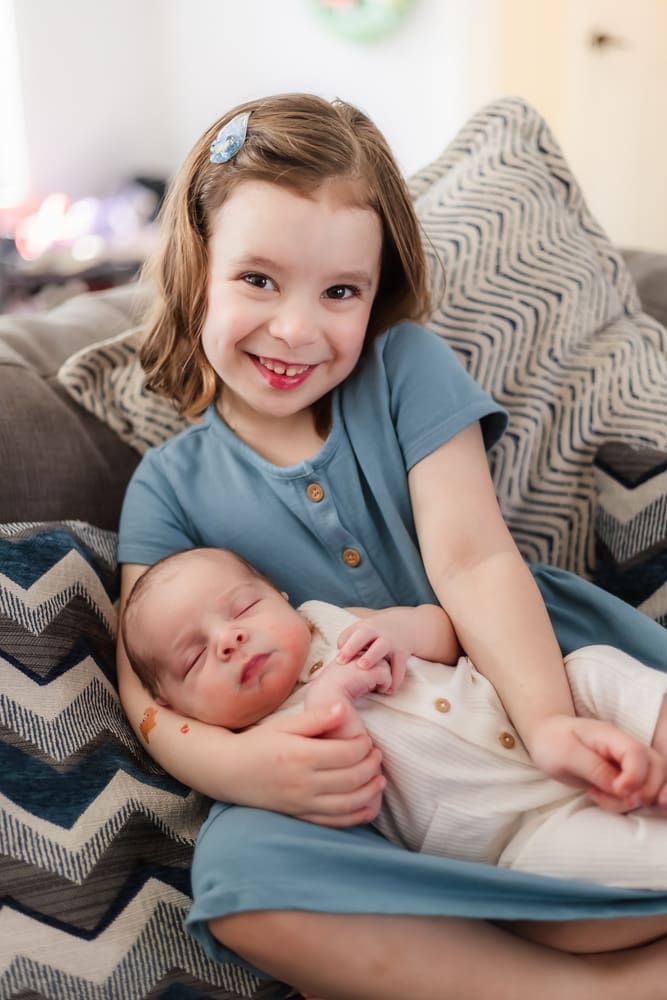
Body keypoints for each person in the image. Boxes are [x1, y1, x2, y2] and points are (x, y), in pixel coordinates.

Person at [116, 92, 667, 999]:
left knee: (631, 702)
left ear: (376, 292)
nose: (296, 330)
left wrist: (546, 723)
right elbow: (146, 683)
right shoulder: (166, 489)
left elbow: (471, 562)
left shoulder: (403, 367)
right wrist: (245, 768)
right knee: (240, 880)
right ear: (197, 267)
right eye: (258, 280)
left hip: (529, 664)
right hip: (383, 794)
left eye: (339, 291)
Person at [121, 544, 667, 891]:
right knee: (576, 862)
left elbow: (446, 634)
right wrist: (330, 698)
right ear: (175, 708)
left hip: (544, 718)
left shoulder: (331, 621)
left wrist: (400, 630)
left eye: (243, 608)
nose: (229, 638)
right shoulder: (268, 744)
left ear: (282, 597)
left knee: (592, 669)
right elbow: (350, 780)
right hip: (520, 835)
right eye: (194, 657)